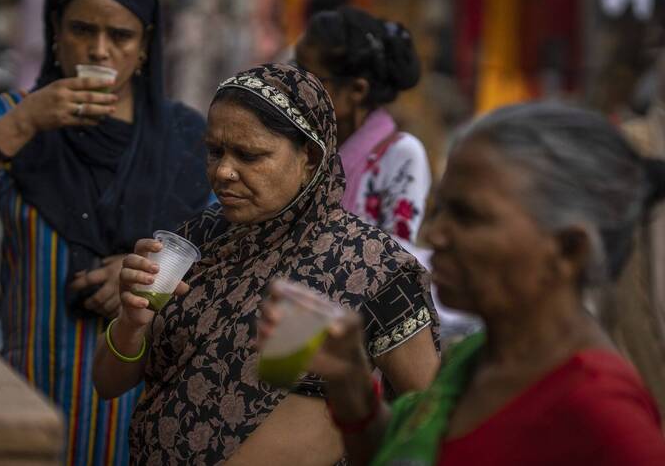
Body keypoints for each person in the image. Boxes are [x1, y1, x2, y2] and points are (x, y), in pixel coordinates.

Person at [0, 0, 210, 466]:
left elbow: (226, 252)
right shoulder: (12, 117)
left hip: (137, 417)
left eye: (119, 36)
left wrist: (148, 274)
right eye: (81, 29)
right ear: (55, 31)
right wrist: (20, 127)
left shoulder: (186, 140)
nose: (98, 50)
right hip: (28, 394)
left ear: (144, 48)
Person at [259, 102, 665, 466]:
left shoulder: (603, 412)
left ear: (568, 251)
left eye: (468, 217)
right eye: (440, 210)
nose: (435, 235)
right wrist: (349, 381)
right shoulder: (476, 355)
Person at [92, 63, 440, 465]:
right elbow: (107, 384)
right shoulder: (199, 240)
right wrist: (132, 322)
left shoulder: (374, 268)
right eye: (214, 151)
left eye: (249, 155)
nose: (223, 171)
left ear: (309, 157)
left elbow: (427, 422)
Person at [294, 7, 431, 255]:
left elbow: (394, 261)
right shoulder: (303, 143)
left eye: (307, 76)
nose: (293, 85)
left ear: (357, 90)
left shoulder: (401, 154)